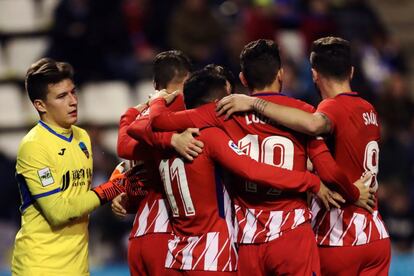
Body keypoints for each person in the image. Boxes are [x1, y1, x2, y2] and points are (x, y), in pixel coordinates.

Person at [148, 40, 373, 275]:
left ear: (243, 79)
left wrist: (156, 101)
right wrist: (352, 193)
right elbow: (328, 170)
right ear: (281, 74)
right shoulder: (303, 114)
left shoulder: (223, 112)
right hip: (293, 236)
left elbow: (160, 122)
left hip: (248, 239)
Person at [130, 66, 331, 275]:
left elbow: (132, 131)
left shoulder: (161, 142)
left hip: (177, 253)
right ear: (218, 104)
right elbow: (253, 170)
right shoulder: (210, 137)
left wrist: (157, 106)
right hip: (212, 254)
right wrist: (311, 181)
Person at [216, 37, 391, 275]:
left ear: (314, 75)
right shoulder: (369, 108)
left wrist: (253, 103)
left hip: (338, 233)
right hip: (375, 233)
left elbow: (312, 126)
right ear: (351, 71)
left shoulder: (327, 109)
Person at [11, 58, 134, 275]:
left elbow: (80, 196)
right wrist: (110, 189)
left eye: (73, 92)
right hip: (40, 267)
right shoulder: (34, 146)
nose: (73, 101)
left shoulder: (82, 137)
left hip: (78, 266)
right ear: (40, 105)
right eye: (61, 96)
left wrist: (115, 193)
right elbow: (58, 211)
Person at [113, 50, 204, 276]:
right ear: (190, 79)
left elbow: (125, 149)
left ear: (155, 83)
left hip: (141, 232)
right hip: (176, 233)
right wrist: (170, 140)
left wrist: (143, 107)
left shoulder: (139, 117)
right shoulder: (194, 111)